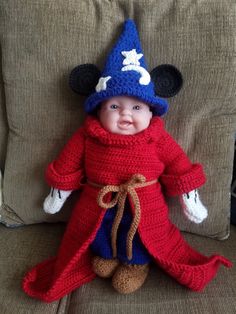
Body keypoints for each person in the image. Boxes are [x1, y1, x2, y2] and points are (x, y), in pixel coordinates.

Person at [22, 19, 232, 303]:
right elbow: (67, 163)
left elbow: (178, 164)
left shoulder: (157, 137)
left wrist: (189, 196)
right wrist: (58, 194)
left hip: (144, 204)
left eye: (136, 107)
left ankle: (136, 264)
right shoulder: (87, 135)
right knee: (97, 233)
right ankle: (107, 256)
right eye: (114, 106)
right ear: (99, 110)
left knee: (142, 237)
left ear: (150, 112)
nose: (125, 114)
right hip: (98, 201)